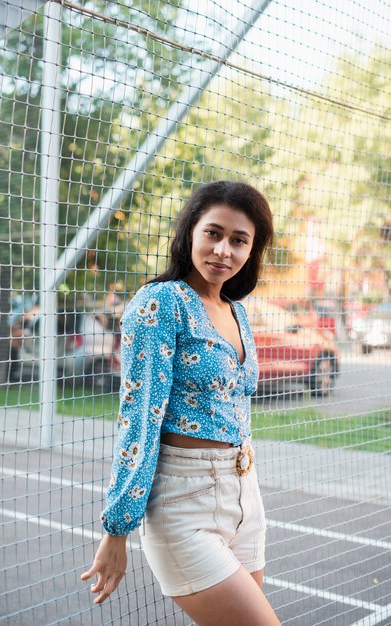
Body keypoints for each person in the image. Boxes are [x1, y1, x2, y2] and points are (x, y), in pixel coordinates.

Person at [82, 181, 281, 626]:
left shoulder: (235, 308)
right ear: (190, 231)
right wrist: (117, 528)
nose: (223, 250)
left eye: (239, 240)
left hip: (245, 495)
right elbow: (140, 417)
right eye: (213, 233)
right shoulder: (159, 304)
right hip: (183, 504)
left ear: (252, 250)